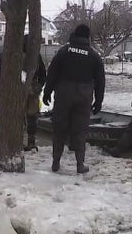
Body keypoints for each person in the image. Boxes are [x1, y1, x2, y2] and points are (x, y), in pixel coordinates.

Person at [43, 24, 105, 174]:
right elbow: (100, 80)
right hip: (84, 96)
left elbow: (52, 73)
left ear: (74, 35)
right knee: (80, 131)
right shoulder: (93, 55)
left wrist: (47, 92)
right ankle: (79, 165)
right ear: (88, 37)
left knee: (59, 129)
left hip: (64, 94)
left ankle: (56, 163)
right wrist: (98, 101)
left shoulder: (64, 52)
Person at [0, 34, 46, 151]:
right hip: (16, 91)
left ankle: (31, 141)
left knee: (31, 117)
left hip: (32, 91)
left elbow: (43, 74)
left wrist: (38, 88)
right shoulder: (10, 56)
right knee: (17, 118)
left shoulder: (36, 57)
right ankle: (17, 142)